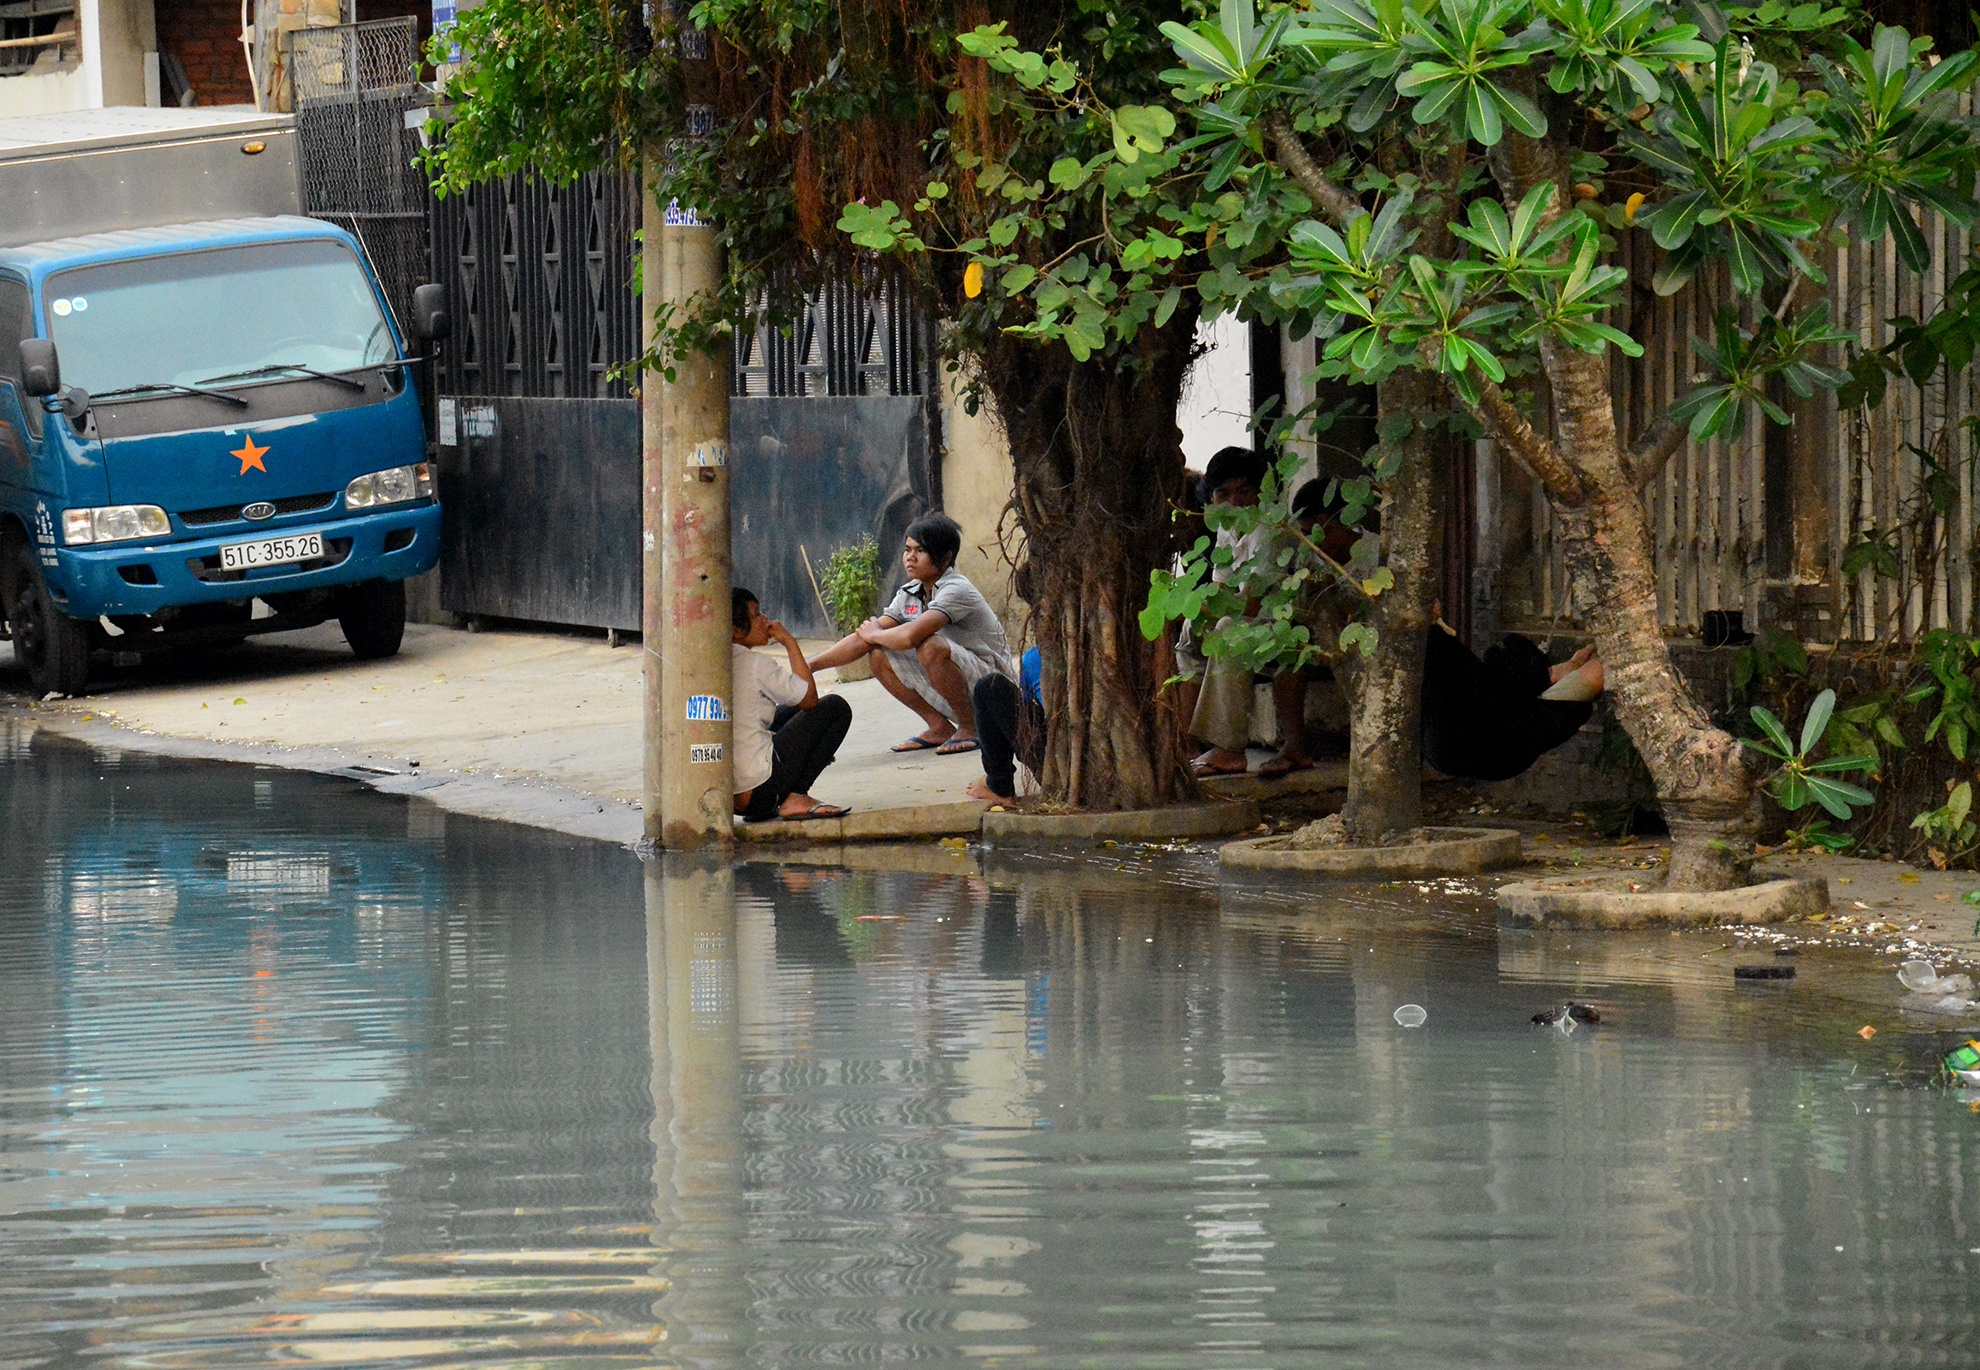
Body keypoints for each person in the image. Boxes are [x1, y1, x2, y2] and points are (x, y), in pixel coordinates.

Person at [808, 513, 1015, 757]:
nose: (910, 557)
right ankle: (938, 727)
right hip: (963, 677)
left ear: (946, 557)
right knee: (877, 654)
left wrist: (874, 634)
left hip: (995, 686)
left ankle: (971, 727)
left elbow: (909, 637)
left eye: (920, 550)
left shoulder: (956, 589)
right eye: (907, 549)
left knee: (930, 646)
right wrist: (809, 666)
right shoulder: (911, 592)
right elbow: (863, 638)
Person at [1174, 446, 1272, 778]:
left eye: (1244, 491)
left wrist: (1207, 605)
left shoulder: (1268, 530)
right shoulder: (1227, 531)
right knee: (1192, 628)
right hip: (1250, 617)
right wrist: (1194, 607)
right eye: (1223, 493)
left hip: (1284, 623)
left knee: (1230, 628)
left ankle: (1230, 749)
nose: (1235, 502)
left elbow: (1251, 603)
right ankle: (1189, 743)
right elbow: (1223, 588)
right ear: (1212, 499)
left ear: (1262, 491)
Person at [1421, 625, 1605, 781]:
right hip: (1491, 757)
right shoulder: (1537, 721)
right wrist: (1575, 664)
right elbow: (1598, 672)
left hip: (1449, 748)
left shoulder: (1472, 682)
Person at [732, 588, 853, 821]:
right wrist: (789, 642)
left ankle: (782, 797)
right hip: (761, 792)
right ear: (737, 629)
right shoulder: (756, 663)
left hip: (736, 798)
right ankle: (796, 795)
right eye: (756, 615)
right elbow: (808, 698)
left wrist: (808, 743)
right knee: (835, 707)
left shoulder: (720, 659)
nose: (765, 619)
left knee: (788, 711)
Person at [967, 644, 1043, 802]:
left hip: (1056, 762)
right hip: (1092, 760)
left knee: (989, 687)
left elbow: (1025, 712)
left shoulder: (1035, 657)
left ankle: (999, 785)